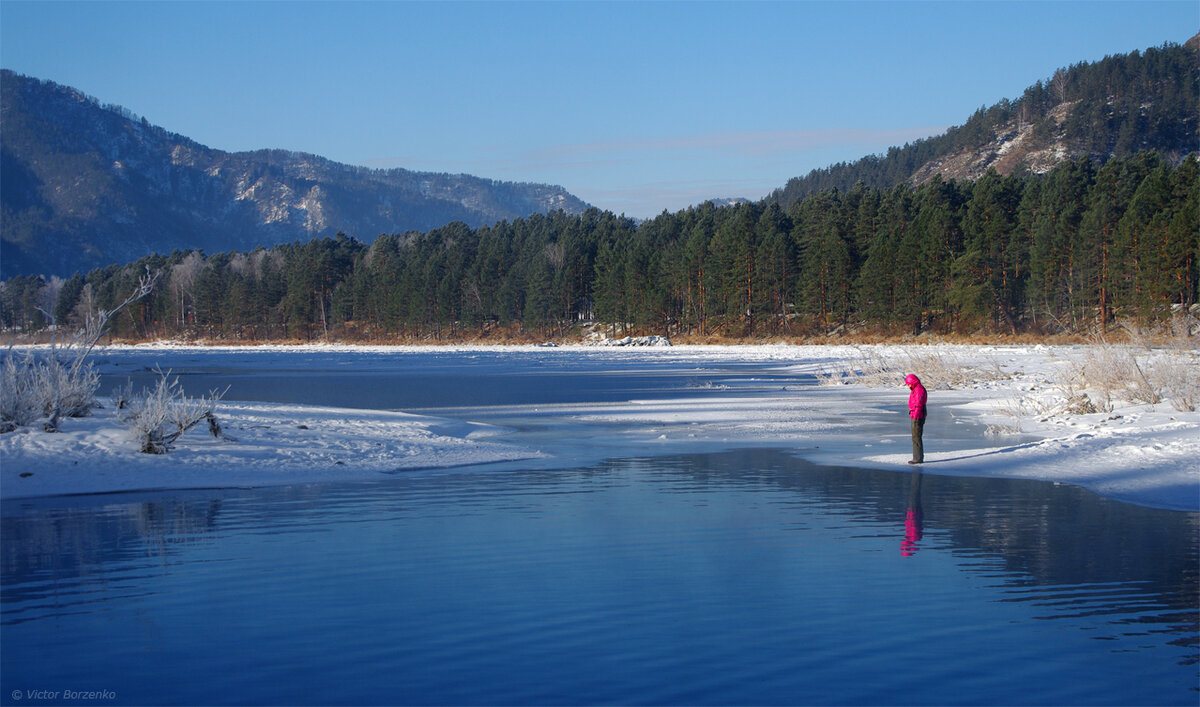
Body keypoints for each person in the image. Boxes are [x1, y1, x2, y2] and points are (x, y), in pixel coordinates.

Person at [905, 374, 927, 464]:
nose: (908, 386)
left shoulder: (919, 390)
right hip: (914, 414)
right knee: (915, 437)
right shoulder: (915, 389)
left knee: (916, 436)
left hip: (917, 415)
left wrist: (916, 415)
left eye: (909, 384)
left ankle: (918, 458)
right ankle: (917, 457)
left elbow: (919, 403)